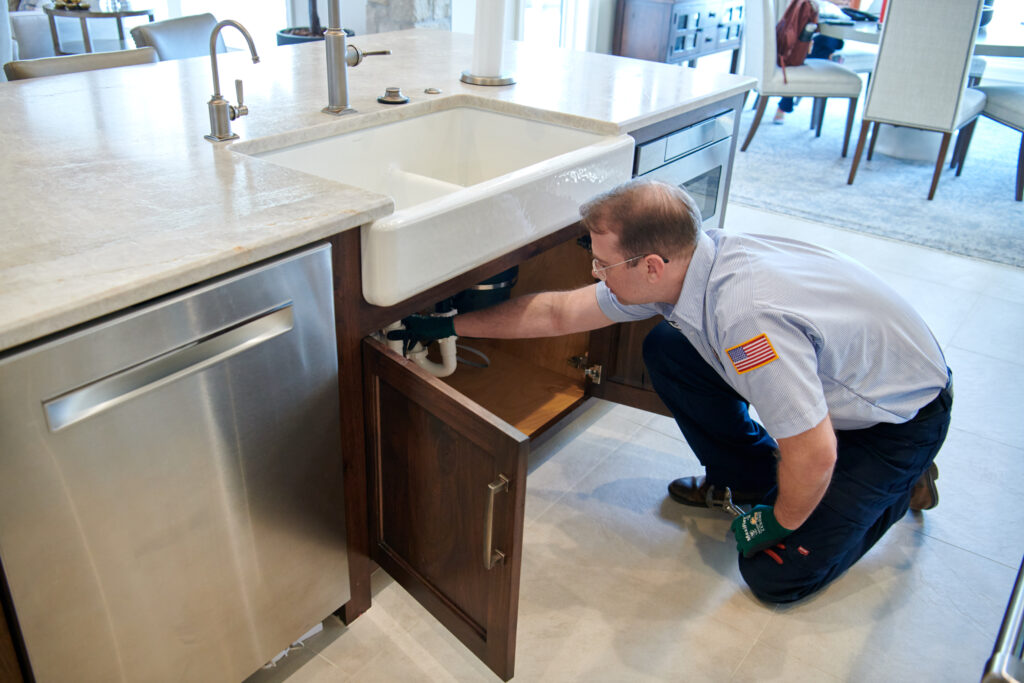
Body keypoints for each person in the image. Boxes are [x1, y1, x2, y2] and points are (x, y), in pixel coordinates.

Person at [389, 179, 952, 604]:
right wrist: (450, 325)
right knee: (667, 347)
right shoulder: (691, 265)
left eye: (602, 262)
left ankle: (899, 486)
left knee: (774, 575)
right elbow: (561, 310)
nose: (595, 273)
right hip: (840, 396)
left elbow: (815, 451)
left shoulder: (746, 320)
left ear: (651, 264)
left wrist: (777, 522)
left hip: (897, 422)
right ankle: (764, 481)